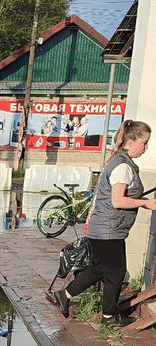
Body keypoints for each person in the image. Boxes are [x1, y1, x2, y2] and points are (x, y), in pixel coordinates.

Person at [53, 120, 156, 327]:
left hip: (103, 229)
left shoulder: (117, 160)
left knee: (100, 269)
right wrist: (146, 204)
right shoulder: (122, 167)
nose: (146, 148)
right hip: (109, 231)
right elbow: (117, 201)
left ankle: (65, 294)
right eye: (144, 142)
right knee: (116, 273)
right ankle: (108, 317)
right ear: (131, 140)